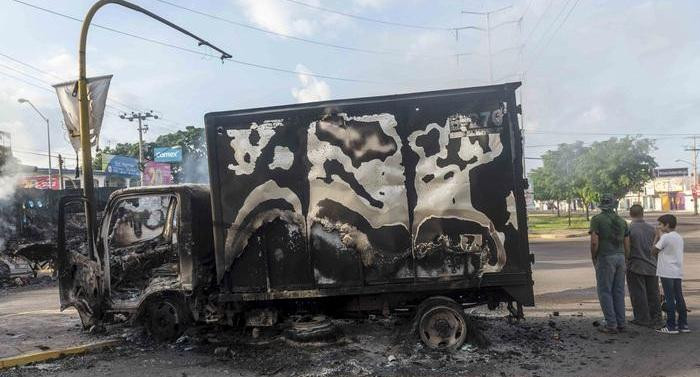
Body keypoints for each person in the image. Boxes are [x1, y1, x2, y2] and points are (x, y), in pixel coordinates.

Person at [589, 194, 629, 334]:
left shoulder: (597, 220)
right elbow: (626, 243)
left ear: (601, 205)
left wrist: (594, 256)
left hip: (606, 257)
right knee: (618, 291)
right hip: (620, 257)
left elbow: (594, 241)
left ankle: (611, 325)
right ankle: (621, 323)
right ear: (614, 206)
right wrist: (626, 258)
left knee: (605, 291)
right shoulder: (622, 221)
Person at [652, 214, 690, 334]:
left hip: (667, 272)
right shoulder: (678, 237)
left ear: (667, 225)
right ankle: (683, 324)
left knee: (669, 298)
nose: (659, 227)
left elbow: (653, 251)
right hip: (677, 271)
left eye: (660, 224)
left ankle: (670, 326)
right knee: (679, 297)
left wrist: (657, 237)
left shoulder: (665, 237)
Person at [626, 204, 662, 328]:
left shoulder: (629, 229)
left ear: (630, 214)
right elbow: (658, 247)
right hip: (652, 265)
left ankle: (642, 319)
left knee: (638, 293)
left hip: (635, 266)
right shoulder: (652, 229)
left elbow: (627, 248)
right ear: (643, 213)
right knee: (653, 293)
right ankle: (656, 318)